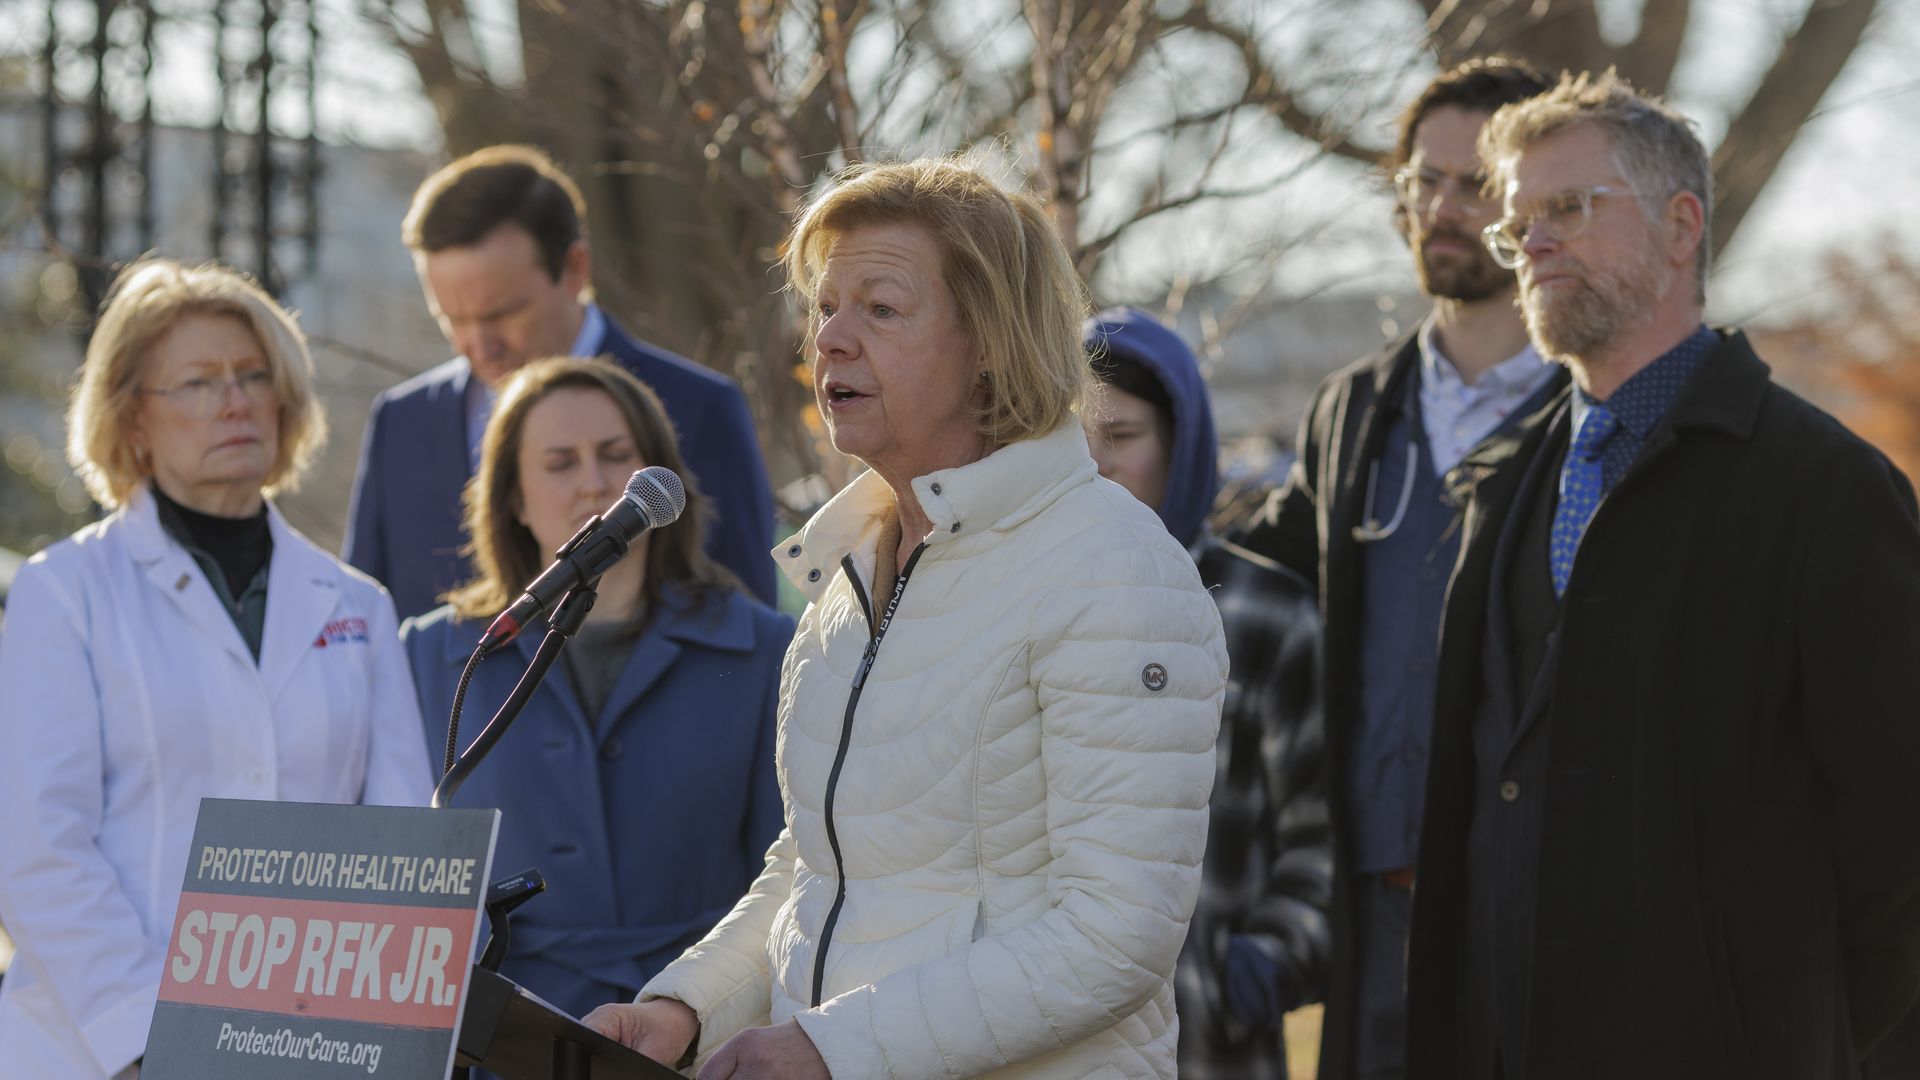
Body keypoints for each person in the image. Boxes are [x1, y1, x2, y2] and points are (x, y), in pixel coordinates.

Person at [582, 158, 1228, 1078]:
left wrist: (832, 1047)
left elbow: (1116, 936)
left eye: (880, 308)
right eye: (825, 306)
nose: (832, 340)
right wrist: (689, 1005)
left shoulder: (1117, 572)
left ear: (992, 343)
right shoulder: (845, 566)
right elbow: (821, 867)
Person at [1405, 70, 1920, 1078]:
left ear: (1682, 225)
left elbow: (1900, 840)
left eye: (1568, 208)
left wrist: (1801, 1041)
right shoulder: (1501, 488)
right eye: (1520, 226)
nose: (1533, 243)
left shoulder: (1825, 492)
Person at [0, 258, 432, 1080]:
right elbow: (39, 847)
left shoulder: (356, 604)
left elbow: (399, 840)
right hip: (102, 1053)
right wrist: (144, 1042)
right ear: (132, 420)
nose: (235, 400)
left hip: (310, 1050)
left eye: (251, 375)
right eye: (198, 382)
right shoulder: (63, 593)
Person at [1233, 57, 1557, 1079]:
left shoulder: (1594, 415)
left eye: (1475, 184)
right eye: (1424, 180)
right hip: (1375, 912)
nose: (1442, 208)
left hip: (1542, 918)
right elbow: (1255, 578)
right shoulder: (1353, 410)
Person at [402, 357, 793, 1020]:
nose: (595, 486)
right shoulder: (432, 655)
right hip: (502, 1035)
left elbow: (788, 885)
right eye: (560, 463)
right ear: (515, 498)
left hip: (699, 1028)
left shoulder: (762, 648)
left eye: (617, 457)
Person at [345, 144, 776, 618]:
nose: (477, 345)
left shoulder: (700, 409)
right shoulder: (401, 422)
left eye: (502, 313)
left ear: (575, 268)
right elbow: (366, 627)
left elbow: (748, 634)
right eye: (451, 319)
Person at [1083, 307, 1329, 1077]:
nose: (1096, 465)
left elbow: (1323, 843)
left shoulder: (1266, 614)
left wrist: (1246, 973)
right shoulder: (1010, 605)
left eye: (1121, 437)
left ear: (1181, 444)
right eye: (1073, 441)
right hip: (1033, 1038)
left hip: (1207, 1047)